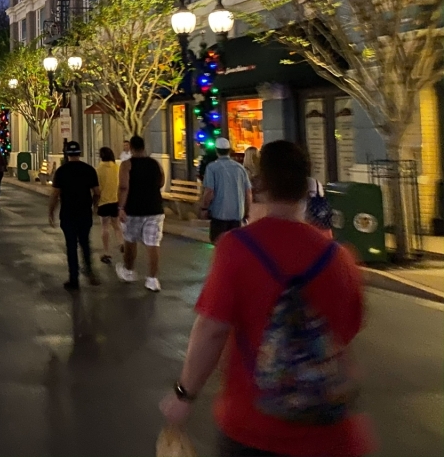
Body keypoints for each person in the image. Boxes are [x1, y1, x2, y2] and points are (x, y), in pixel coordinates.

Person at [160, 140, 373, 457]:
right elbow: (348, 328)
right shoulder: (338, 257)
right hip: (330, 432)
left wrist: (184, 394)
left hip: (255, 427)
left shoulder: (237, 248)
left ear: (260, 185)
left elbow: (211, 331)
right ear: (306, 188)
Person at [48, 141, 101, 291]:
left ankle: (74, 279)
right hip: (85, 212)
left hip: (68, 213)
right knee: (85, 242)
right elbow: (97, 192)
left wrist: (51, 211)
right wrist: (95, 205)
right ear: (79, 152)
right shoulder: (89, 170)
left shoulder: (61, 171)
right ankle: (89, 270)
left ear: (67, 154)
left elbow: (55, 194)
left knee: (71, 245)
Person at [116, 135, 165, 292]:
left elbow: (123, 187)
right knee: (153, 243)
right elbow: (161, 182)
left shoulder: (127, 165)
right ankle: (152, 279)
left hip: (134, 209)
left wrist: (120, 208)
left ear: (130, 147)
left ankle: (129, 271)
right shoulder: (155, 164)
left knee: (130, 241)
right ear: (144, 147)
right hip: (155, 208)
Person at [201, 137, 253, 244]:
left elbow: (209, 191)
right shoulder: (240, 168)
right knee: (235, 244)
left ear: (216, 150)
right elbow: (248, 193)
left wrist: (204, 208)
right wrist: (247, 212)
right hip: (237, 216)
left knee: (219, 244)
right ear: (229, 150)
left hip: (219, 215)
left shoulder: (212, 168)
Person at [95, 147, 121, 264]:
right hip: (115, 200)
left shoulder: (98, 169)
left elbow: (97, 188)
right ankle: (121, 243)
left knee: (105, 227)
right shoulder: (116, 168)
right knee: (116, 224)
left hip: (103, 202)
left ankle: (107, 252)